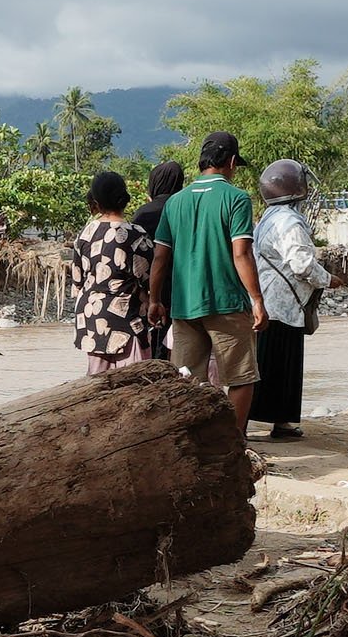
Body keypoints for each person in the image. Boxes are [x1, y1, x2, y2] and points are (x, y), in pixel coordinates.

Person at [160, 133, 262, 423]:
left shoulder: (175, 202)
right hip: (226, 303)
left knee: (185, 381)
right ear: (231, 162)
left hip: (184, 305)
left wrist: (156, 300)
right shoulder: (237, 198)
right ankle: (234, 443)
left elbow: (160, 257)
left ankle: (193, 443)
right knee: (241, 377)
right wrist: (256, 299)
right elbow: (241, 253)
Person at [250, 156, 328, 440]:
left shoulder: (268, 218)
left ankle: (263, 418)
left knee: (266, 361)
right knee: (283, 363)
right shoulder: (290, 221)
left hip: (268, 299)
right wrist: (328, 279)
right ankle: (280, 422)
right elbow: (301, 264)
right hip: (285, 302)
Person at [67, 170, 160, 374]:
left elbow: (77, 281)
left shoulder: (84, 234)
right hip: (127, 319)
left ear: (96, 203)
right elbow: (148, 279)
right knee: (136, 385)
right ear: (124, 200)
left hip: (91, 317)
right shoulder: (135, 234)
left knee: (97, 385)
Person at [136, 157, 185, 335]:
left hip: (153, 291)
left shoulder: (144, 213)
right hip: (185, 289)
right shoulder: (187, 208)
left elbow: (137, 257)